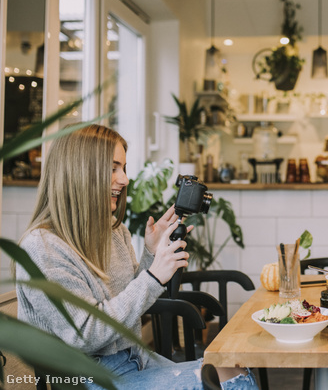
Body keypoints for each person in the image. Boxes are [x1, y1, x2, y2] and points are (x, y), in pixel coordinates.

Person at [15, 124, 258, 390]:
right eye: (112, 168)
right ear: (79, 172)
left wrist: (151, 254)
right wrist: (154, 275)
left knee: (234, 368)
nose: (124, 179)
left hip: (136, 358)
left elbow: (127, 300)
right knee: (231, 381)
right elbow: (84, 334)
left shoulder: (113, 232)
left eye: (124, 168)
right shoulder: (42, 248)